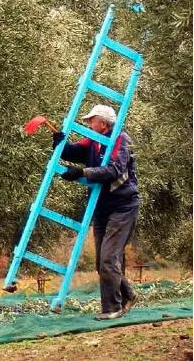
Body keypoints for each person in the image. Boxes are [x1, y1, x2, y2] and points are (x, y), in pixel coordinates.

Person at [53, 104, 140, 320]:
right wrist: (59, 141)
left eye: (91, 121)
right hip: (101, 207)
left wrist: (83, 172)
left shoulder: (120, 139)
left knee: (108, 258)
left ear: (102, 123)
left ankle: (112, 308)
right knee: (102, 261)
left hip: (123, 205)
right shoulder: (93, 141)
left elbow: (114, 170)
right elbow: (73, 151)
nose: (88, 124)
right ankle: (127, 294)